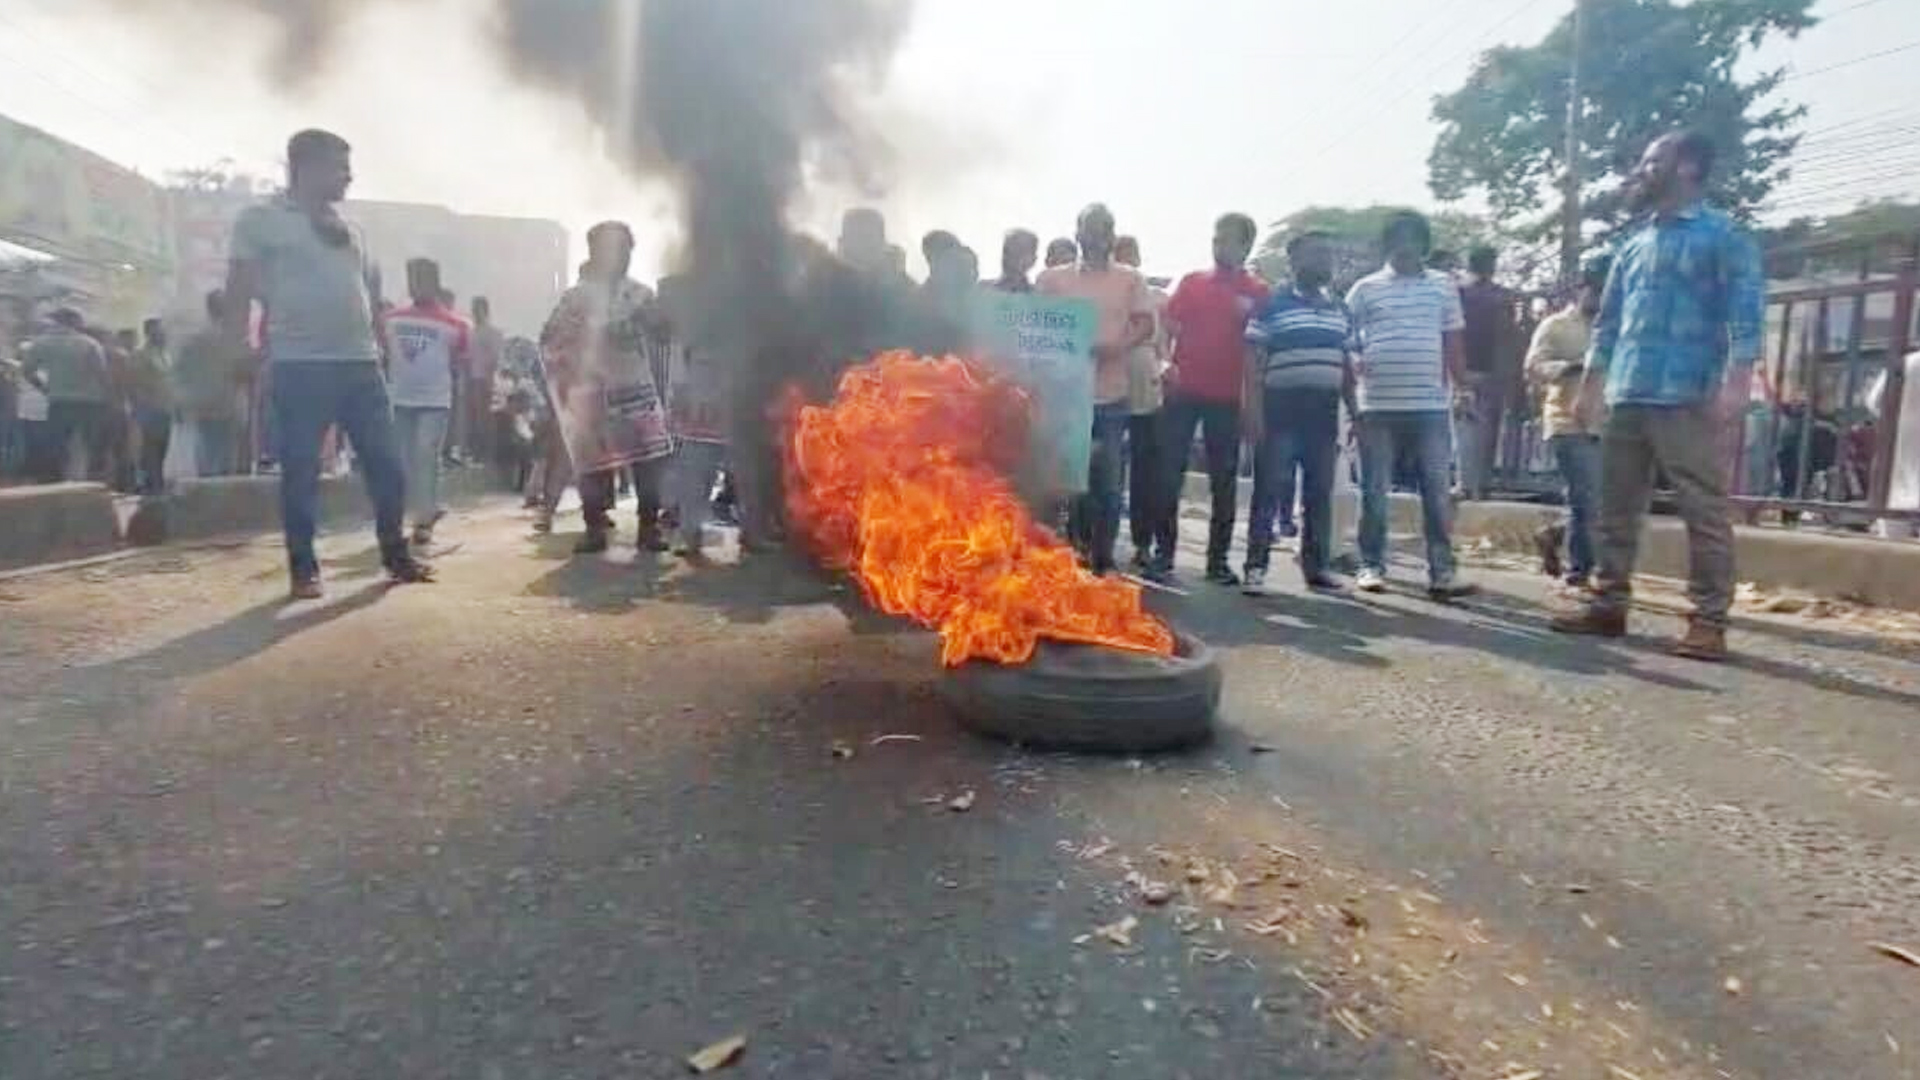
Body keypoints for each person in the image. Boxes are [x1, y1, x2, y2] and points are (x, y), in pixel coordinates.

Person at [1552, 131, 1763, 660]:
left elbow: (1747, 318)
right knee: (1615, 508)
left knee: (1703, 511)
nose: (1643, 170)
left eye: (1654, 161)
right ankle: (1608, 604)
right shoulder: (1634, 243)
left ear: (1688, 166)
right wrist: (1592, 388)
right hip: (1628, 392)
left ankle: (1708, 621)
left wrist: (1737, 385)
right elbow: (1609, 323)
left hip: (1687, 393)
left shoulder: (1724, 236)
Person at [225, 128, 431, 598]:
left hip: (361, 366)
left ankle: (395, 556)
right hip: (300, 364)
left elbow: (370, 297)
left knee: (387, 465)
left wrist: (383, 351)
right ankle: (304, 568)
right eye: (340, 166)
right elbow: (238, 287)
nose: (349, 177)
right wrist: (236, 348)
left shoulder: (351, 229)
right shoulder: (260, 220)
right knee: (300, 469)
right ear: (306, 167)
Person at [1345, 210, 1474, 599]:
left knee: (1436, 492)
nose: (1406, 246)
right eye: (1398, 239)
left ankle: (1442, 572)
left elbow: (1453, 341)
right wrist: (1355, 361)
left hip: (1429, 405)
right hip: (1377, 404)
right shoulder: (1364, 288)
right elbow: (1344, 336)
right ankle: (1371, 565)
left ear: (1424, 244)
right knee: (1374, 491)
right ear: (1388, 245)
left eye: (1413, 239)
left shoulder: (1443, 286)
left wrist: (1463, 388)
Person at [539, 220, 674, 555]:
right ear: (595, 253)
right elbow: (549, 337)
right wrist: (588, 340)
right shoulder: (576, 298)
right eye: (614, 249)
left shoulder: (641, 294)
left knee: (649, 462)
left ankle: (648, 527)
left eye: (627, 249)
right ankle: (594, 528)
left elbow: (663, 334)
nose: (622, 256)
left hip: (636, 389)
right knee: (592, 464)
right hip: (592, 394)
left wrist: (657, 322)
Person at [1037, 203, 1155, 576]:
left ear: (1112, 235)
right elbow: (1034, 329)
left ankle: (1103, 559)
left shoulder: (1130, 279)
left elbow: (1145, 324)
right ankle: (1067, 556)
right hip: (1063, 399)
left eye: (1104, 229)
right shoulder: (1051, 280)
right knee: (1065, 482)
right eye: (1090, 229)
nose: (1097, 236)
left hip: (1109, 394)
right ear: (1077, 233)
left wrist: (1117, 347)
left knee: (1107, 483)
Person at [1155, 212, 1270, 584]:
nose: (1220, 245)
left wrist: (1254, 404)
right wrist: (1163, 362)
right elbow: (1166, 331)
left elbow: (1261, 350)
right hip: (1183, 391)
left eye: (1229, 240)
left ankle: (1217, 561)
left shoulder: (1258, 292)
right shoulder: (1191, 283)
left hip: (1227, 397)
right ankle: (1163, 554)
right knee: (1169, 473)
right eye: (1216, 238)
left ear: (1246, 246)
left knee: (1224, 479)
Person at [1242, 230, 1358, 595]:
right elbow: (1253, 361)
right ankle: (1256, 568)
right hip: (1280, 411)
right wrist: (1254, 412)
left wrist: (1356, 411)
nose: (1324, 261)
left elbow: (1347, 363)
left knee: (1318, 493)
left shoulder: (1340, 309)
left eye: (1328, 254)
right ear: (1294, 261)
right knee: (1269, 490)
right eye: (1315, 254)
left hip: (1323, 414)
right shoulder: (1271, 303)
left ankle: (1316, 569)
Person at [1526, 259, 1609, 587]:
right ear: (1582, 289)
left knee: (1598, 500)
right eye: (1597, 290)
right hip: (1568, 421)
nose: (1602, 298)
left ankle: (1553, 534)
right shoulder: (1555, 326)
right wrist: (1570, 367)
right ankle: (1580, 572)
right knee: (1586, 496)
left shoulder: (1616, 327)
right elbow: (1533, 367)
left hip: (1608, 422)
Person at [381, 258, 470, 549]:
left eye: (423, 279)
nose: (417, 285)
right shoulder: (391, 319)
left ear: (434, 282)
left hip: (435, 402)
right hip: (400, 401)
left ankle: (423, 523)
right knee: (406, 461)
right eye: (413, 279)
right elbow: (383, 354)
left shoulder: (456, 325)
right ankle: (420, 510)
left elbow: (459, 365)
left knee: (426, 455)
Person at [657, 273, 728, 562]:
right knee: (696, 472)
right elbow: (680, 363)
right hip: (702, 407)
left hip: (738, 404)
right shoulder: (689, 327)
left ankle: (755, 531)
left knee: (749, 474)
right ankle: (691, 534)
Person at [1113, 235, 1169, 572]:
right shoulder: (1104, 292)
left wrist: (1167, 366)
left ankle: (1143, 542)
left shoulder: (1158, 297)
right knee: (1105, 465)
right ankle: (1096, 539)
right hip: (1106, 378)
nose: (1126, 262)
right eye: (1119, 256)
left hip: (1146, 379)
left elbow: (1169, 340)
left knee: (1146, 469)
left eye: (1130, 256)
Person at [21, 308, 112, 483]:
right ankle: (86, 483)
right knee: (87, 447)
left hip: (59, 400)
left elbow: (27, 371)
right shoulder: (89, 343)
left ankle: (58, 483)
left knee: (58, 445)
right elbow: (102, 374)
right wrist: (108, 399)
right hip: (89, 402)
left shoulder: (41, 343)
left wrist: (45, 388)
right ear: (75, 322)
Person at [1457, 245, 1518, 500]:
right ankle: (1474, 483)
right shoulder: (1462, 292)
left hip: (1485, 370)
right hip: (1472, 370)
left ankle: (1475, 482)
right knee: (1473, 428)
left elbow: (1509, 336)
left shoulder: (1463, 292)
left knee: (1478, 429)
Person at [126, 318, 174, 493]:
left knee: (162, 448)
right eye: (159, 330)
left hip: (164, 408)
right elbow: (132, 383)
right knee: (150, 450)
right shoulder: (140, 355)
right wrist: (139, 406)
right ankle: (151, 486)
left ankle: (156, 483)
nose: (163, 334)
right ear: (149, 332)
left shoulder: (165, 355)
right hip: (148, 408)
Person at [468, 296, 506, 474]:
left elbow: (497, 358)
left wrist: (491, 381)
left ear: (485, 311)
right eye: (473, 309)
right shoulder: (472, 332)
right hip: (474, 379)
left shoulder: (493, 333)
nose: (475, 313)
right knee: (477, 419)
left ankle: (491, 456)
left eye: (478, 309)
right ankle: (480, 454)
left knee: (489, 420)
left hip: (488, 380)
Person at [992, 229, 1039, 293]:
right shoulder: (983, 291)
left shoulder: (1038, 296)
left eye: (1019, 252)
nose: (1010, 258)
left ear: (1033, 259)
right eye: (1007, 251)